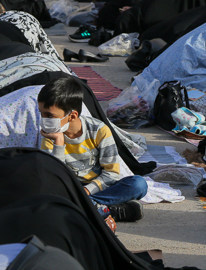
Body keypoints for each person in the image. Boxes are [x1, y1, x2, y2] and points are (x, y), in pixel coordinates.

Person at [38, 77, 146, 222]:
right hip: (68, 189)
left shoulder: (99, 130)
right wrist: (59, 143)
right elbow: (54, 177)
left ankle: (85, 207)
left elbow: (112, 174)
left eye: (49, 115)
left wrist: (86, 192)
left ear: (72, 116)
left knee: (138, 184)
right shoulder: (51, 136)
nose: (43, 119)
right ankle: (108, 211)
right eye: (41, 113)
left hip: (97, 187)